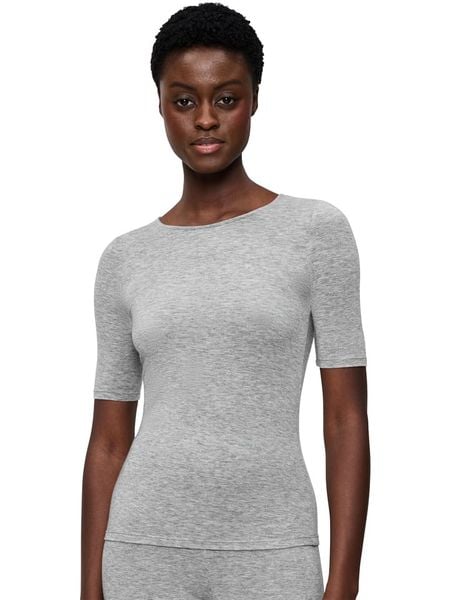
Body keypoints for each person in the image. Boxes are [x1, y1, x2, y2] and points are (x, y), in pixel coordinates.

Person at [80, 3, 370, 600]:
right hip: (141, 548)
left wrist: (344, 583)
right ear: (161, 105)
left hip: (274, 547)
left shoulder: (316, 232)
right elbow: (108, 439)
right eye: (184, 100)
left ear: (255, 99)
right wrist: (88, 587)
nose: (206, 119)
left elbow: (345, 418)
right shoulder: (125, 258)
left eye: (227, 98)